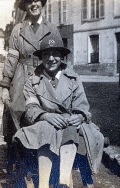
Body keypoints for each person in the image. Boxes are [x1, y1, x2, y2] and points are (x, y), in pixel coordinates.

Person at [14, 33, 104, 188]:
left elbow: (82, 104)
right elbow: (31, 107)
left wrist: (80, 116)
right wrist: (45, 115)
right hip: (42, 124)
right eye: (46, 54)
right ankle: (43, 184)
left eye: (55, 54)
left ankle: (63, 182)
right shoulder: (33, 81)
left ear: (62, 56)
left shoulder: (73, 79)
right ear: (41, 58)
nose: (51, 59)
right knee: (46, 129)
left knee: (71, 128)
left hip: (69, 125)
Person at [0, 0, 61, 171]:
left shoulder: (52, 29)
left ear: (42, 4)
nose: (34, 4)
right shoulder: (18, 30)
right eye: (29, 1)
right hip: (21, 77)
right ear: (25, 6)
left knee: (46, 115)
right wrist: (5, 86)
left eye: (37, 0)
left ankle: (44, 162)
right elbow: (12, 59)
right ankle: (21, 164)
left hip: (44, 75)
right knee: (18, 113)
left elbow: (59, 59)